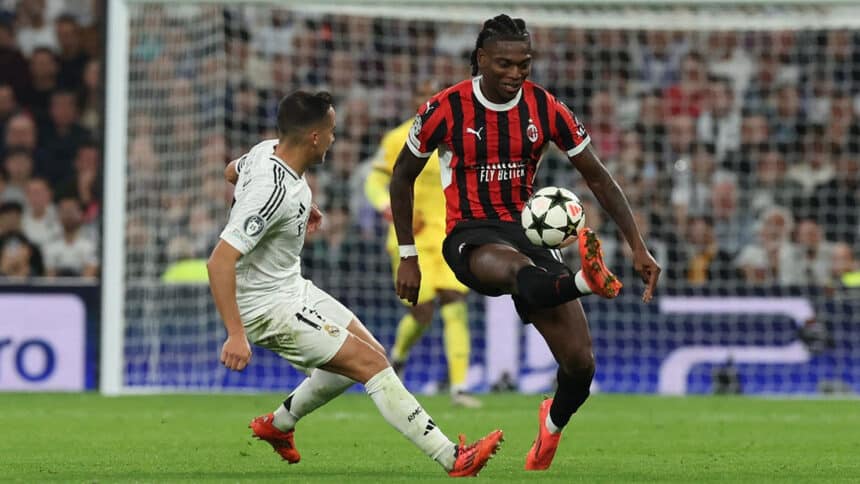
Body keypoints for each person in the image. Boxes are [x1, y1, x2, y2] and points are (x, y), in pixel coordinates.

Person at [389, 15, 660, 471]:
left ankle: (550, 430)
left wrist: (637, 244)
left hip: (529, 233)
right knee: (516, 272)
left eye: (524, 64)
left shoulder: (545, 107)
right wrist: (408, 255)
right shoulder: (444, 109)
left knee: (580, 366)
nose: (515, 73)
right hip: (470, 235)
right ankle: (584, 280)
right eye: (504, 64)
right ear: (481, 60)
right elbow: (402, 177)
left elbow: (597, 176)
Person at [207, 90, 502, 477]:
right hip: (265, 306)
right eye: (331, 131)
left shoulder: (267, 152)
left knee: (371, 351)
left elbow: (233, 171)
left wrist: (297, 212)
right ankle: (452, 457)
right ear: (314, 137)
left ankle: (278, 425)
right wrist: (235, 334)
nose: (335, 138)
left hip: (290, 285)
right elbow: (219, 262)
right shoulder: (272, 192)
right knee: (372, 364)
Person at [364, 78, 479, 408]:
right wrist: (385, 207)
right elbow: (375, 179)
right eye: (422, 97)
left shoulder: (463, 137)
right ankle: (398, 358)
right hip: (409, 237)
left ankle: (459, 388)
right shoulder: (399, 137)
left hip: (450, 234)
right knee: (423, 310)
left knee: (454, 303)